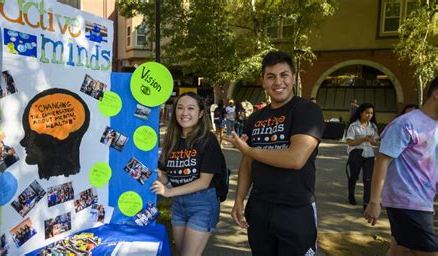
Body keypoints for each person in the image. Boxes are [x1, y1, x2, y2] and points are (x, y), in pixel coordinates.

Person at [224, 51, 325, 255]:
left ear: (293, 78)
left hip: (295, 209)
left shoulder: (307, 111)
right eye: (271, 76)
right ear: (263, 82)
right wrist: (239, 199)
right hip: (259, 207)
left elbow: (295, 159)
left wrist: (249, 150)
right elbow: (247, 163)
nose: (278, 82)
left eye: (284, 75)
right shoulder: (255, 118)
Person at [364, 77, 438, 255]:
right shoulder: (406, 123)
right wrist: (374, 201)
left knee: (399, 250)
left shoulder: (435, 125)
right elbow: (382, 160)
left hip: (423, 200)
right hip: (407, 202)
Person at [151, 92, 223, 256]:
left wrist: (168, 191)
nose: (184, 113)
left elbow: (204, 182)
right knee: (182, 252)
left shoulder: (208, 140)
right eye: (180, 108)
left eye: (191, 108)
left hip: (202, 203)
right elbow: (168, 176)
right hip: (179, 205)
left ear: (200, 114)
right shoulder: (172, 140)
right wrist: (156, 173)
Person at [345, 102, 380, 210]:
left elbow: (374, 142)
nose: (369, 115)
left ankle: (366, 203)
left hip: (369, 155)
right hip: (356, 153)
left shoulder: (373, 126)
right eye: (367, 113)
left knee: (368, 179)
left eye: (371, 113)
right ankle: (351, 194)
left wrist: (376, 142)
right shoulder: (353, 126)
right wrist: (364, 139)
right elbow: (350, 142)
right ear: (361, 113)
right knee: (354, 177)